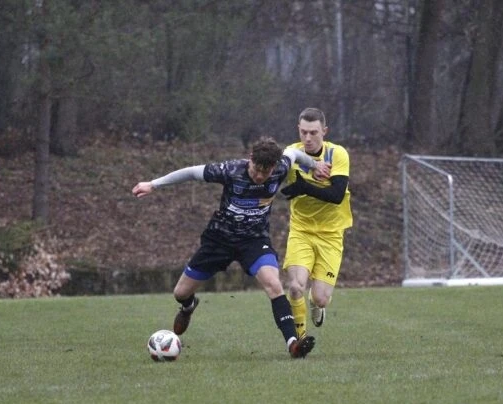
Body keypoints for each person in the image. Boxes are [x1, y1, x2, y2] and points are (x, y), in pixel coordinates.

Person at [132, 136, 330, 358]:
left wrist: (315, 165)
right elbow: (191, 172)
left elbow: (294, 154)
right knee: (180, 293)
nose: (259, 176)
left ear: (274, 167)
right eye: (256, 169)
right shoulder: (230, 170)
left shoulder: (280, 168)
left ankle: (293, 344)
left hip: (254, 241)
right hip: (219, 240)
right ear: (250, 158)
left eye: (265, 172)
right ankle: (188, 306)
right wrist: (153, 184)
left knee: (274, 285)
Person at [280, 108, 352, 339]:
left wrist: (304, 187)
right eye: (303, 132)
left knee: (321, 298)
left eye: (313, 132)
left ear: (325, 131)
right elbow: (274, 173)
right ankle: (299, 340)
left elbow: (336, 195)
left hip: (331, 234)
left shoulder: (337, 154)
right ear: (298, 130)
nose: (308, 138)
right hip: (301, 231)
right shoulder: (291, 154)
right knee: (295, 287)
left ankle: (315, 303)